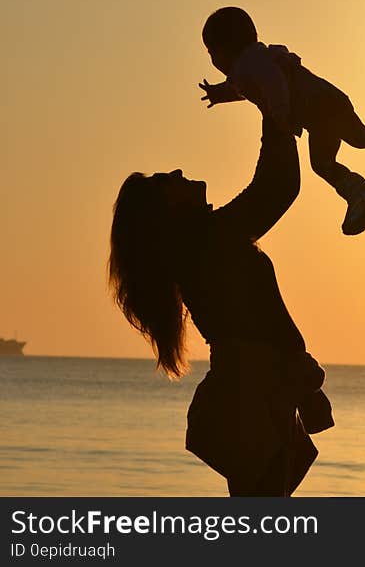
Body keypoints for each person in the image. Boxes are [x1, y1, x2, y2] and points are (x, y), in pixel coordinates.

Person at [108, 117, 332, 496]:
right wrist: (273, 108)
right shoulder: (207, 242)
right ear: (167, 211)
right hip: (252, 395)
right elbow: (276, 188)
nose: (179, 171)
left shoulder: (204, 242)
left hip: (256, 391)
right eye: (167, 181)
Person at [198, 6, 365, 236]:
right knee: (360, 136)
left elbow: (272, 81)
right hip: (325, 101)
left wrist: (279, 112)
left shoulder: (248, 64)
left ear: (225, 49)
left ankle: (362, 193)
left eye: (211, 53)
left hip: (317, 108)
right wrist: (219, 94)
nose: (213, 61)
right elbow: (244, 87)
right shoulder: (255, 60)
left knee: (323, 162)